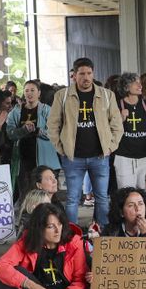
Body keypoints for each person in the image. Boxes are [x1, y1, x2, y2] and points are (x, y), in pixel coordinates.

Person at [47, 58, 123, 226]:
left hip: (100, 156)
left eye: (89, 73)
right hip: (73, 158)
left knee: (102, 198)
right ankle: (72, 236)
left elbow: (117, 124)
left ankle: (102, 234)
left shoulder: (106, 95)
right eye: (82, 74)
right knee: (73, 199)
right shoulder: (62, 95)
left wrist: (110, 147)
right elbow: (52, 125)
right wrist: (61, 148)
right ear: (74, 75)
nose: (86, 77)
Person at [6, 80, 59, 197]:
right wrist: (23, 130)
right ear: (24, 93)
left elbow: (54, 132)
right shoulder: (16, 111)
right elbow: (10, 133)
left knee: (46, 195)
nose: (29, 93)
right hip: (23, 160)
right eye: (27, 90)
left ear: (39, 93)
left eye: (33, 90)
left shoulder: (47, 110)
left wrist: (37, 130)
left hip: (44, 159)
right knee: (25, 194)